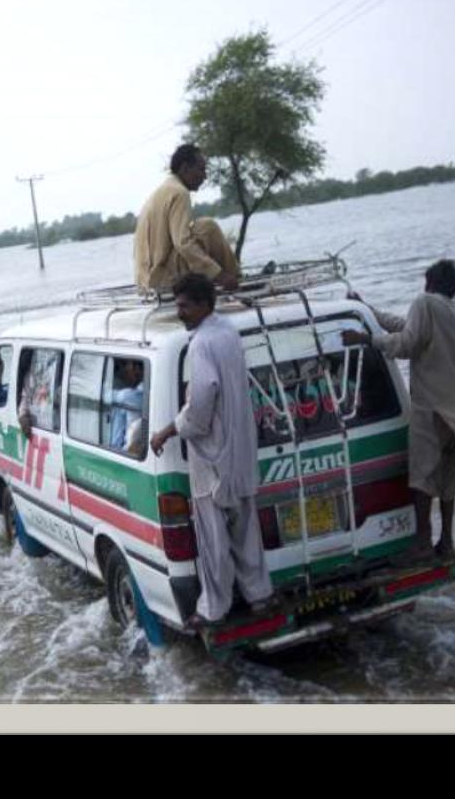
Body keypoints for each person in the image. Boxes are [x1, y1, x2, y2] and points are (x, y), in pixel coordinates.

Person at [342, 259, 455, 564]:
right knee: (447, 475)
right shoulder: (448, 310)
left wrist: (366, 339)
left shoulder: (424, 302)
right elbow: (407, 328)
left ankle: (421, 544)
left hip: (431, 405)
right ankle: (447, 542)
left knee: (422, 475)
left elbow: (407, 343)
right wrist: (369, 310)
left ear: (429, 281)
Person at [150, 272, 273, 629]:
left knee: (214, 538)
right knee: (246, 530)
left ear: (204, 304)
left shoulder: (202, 343)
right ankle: (260, 595)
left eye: (185, 305)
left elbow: (200, 409)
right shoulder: (228, 332)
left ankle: (213, 609)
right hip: (240, 449)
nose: (180, 312)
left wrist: (166, 431)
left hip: (212, 454)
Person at [133, 144, 241, 293]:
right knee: (208, 227)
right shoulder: (179, 192)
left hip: (146, 280)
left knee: (200, 231)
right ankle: (237, 278)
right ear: (185, 168)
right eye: (201, 169)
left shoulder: (164, 190)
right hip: (161, 278)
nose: (205, 176)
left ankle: (231, 275)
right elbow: (183, 243)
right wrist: (219, 275)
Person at [108, 359, 146, 454]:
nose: (124, 370)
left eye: (126, 365)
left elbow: (100, 394)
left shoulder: (128, 396)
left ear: (136, 369)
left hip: (127, 452)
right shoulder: (151, 392)